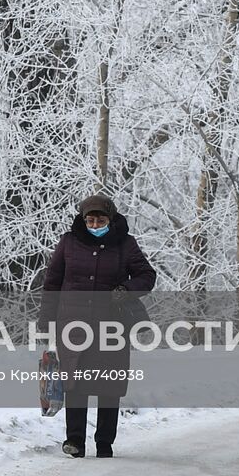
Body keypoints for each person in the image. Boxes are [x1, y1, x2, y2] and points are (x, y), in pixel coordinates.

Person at [38, 193, 156, 458]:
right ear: (83, 219)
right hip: (73, 325)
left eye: (100, 220)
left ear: (110, 219)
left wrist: (126, 289)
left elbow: (147, 276)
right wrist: (46, 321)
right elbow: (52, 284)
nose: (94, 225)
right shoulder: (68, 243)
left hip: (111, 326)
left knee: (108, 385)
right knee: (75, 383)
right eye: (90, 220)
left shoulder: (125, 244)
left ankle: (105, 442)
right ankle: (75, 441)